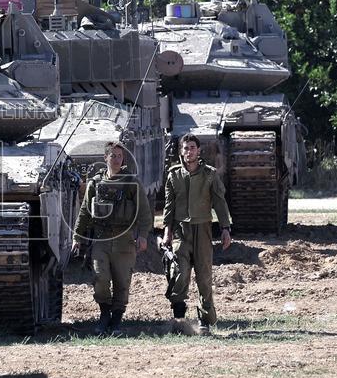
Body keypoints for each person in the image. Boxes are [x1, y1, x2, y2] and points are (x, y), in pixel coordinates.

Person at [73, 141, 152, 335]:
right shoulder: (95, 183)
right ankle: (104, 315)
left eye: (119, 156)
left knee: (122, 282)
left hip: (125, 239)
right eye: (113, 156)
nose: (116, 159)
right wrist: (77, 236)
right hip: (101, 239)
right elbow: (84, 211)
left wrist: (142, 235)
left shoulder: (131, 182)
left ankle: (116, 320)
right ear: (105, 158)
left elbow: (144, 212)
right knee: (100, 278)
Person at [162, 134, 231, 335]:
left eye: (193, 147)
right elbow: (169, 207)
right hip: (180, 231)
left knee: (204, 275)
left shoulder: (209, 174)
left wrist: (225, 228)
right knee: (179, 273)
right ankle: (179, 318)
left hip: (203, 230)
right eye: (186, 148)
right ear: (181, 151)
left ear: (198, 151)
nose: (189, 151)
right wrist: (166, 233)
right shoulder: (173, 175)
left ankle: (204, 320)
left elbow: (219, 201)